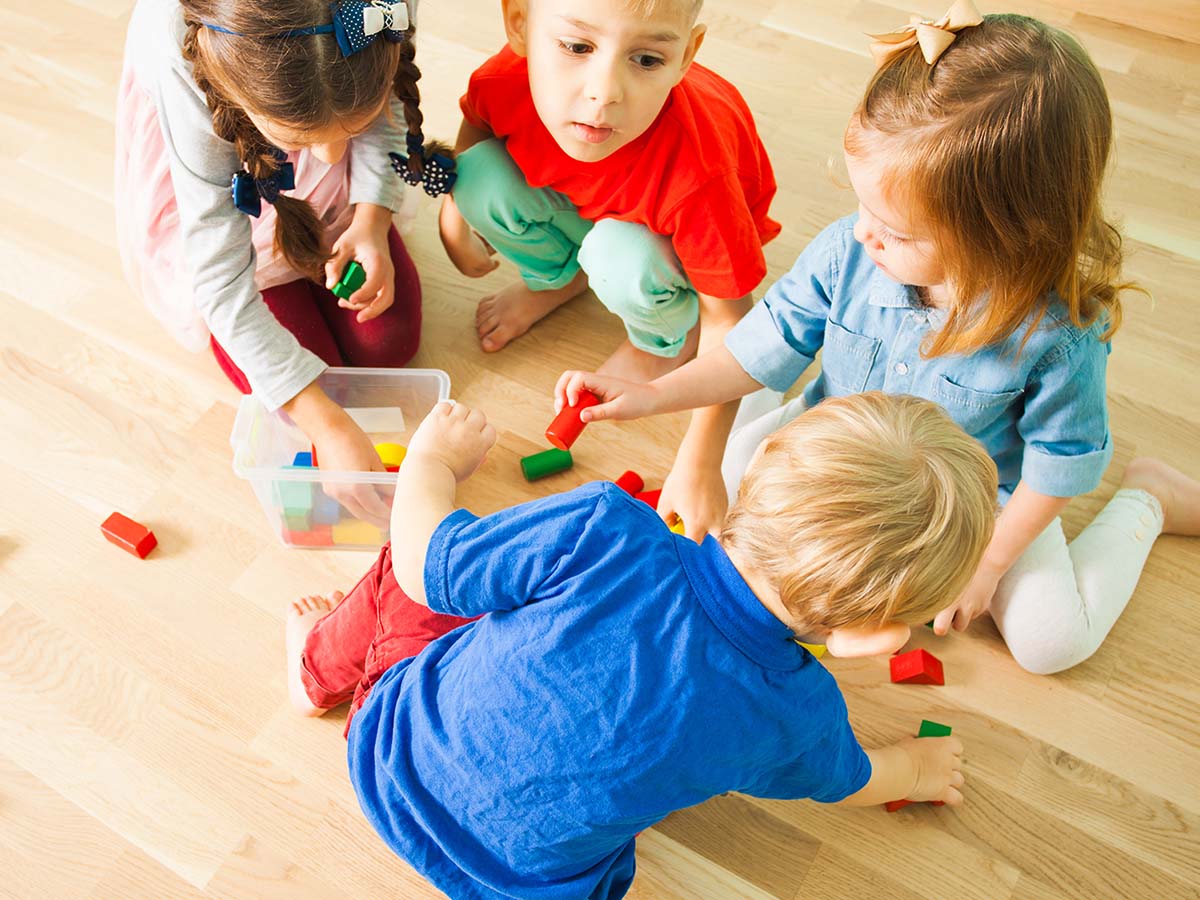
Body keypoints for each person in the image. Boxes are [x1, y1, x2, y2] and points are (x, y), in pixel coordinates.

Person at [553, 7, 1200, 674]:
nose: (863, 233)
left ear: (1005, 234)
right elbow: (755, 352)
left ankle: (1149, 499)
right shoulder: (852, 252)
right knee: (733, 485)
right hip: (841, 457)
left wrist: (989, 561)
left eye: (896, 228)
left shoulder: (1059, 332)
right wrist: (648, 396)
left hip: (977, 502)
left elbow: (1057, 462)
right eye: (862, 206)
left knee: (1051, 643)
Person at [284, 393, 996, 899]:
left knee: (406, 577)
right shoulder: (801, 713)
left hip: (389, 757)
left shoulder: (606, 527)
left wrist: (430, 466)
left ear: (755, 470)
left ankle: (313, 670)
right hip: (527, 886)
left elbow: (426, 565)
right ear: (869, 638)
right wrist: (917, 771)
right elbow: (850, 779)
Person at [439, 0, 779, 536]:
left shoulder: (699, 171)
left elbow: (731, 321)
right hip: (587, 213)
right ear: (519, 25)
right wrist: (452, 217)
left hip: (666, 250)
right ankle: (558, 279)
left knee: (622, 258)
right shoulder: (503, 77)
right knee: (475, 177)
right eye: (577, 47)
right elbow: (477, 132)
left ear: (687, 56)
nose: (605, 93)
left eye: (645, 60)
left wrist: (700, 459)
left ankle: (659, 340)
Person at [116, 0, 451, 521]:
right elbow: (219, 273)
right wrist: (325, 423)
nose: (330, 157)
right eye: (304, 141)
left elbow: (379, 107)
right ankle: (276, 265)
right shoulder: (186, 59)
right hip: (234, 186)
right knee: (312, 395)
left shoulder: (380, 10)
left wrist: (371, 220)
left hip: (315, 172)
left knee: (388, 345)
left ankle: (322, 193)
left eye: (346, 134)